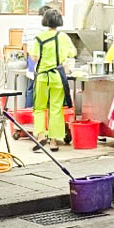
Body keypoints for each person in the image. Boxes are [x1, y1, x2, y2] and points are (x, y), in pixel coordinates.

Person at [29, 8, 76, 151]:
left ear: (45, 21)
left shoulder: (39, 38)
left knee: (39, 108)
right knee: (56, 109)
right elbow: (72, 53)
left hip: (42, 76)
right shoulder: (64, 37)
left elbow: (34, 57)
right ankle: (54, 141)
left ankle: (41, 136)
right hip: (57, 77)